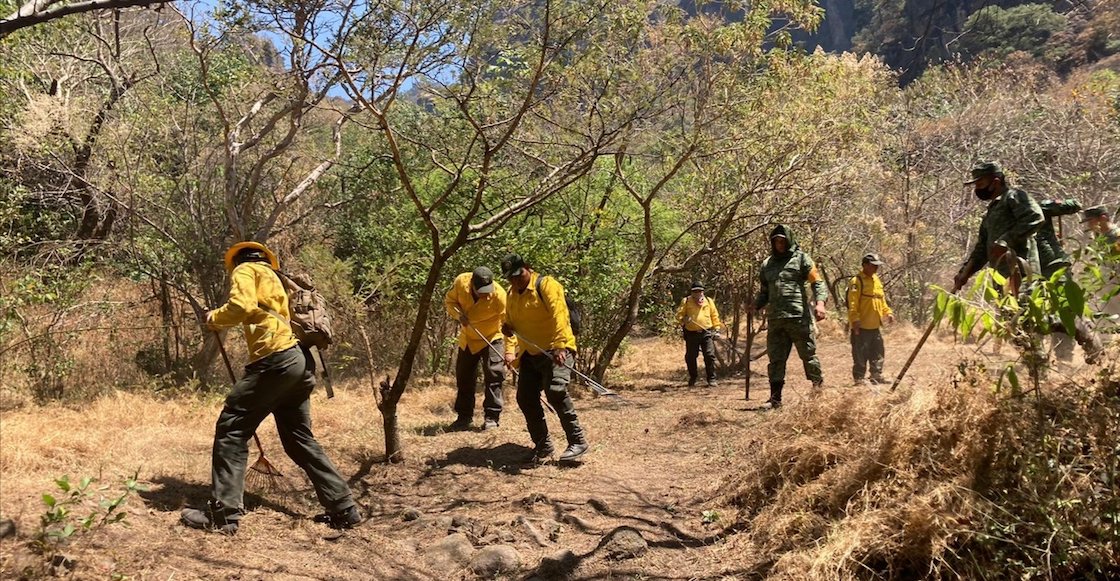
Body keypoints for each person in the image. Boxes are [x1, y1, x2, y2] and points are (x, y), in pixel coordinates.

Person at [181, 242, 360, 534]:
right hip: (300, 361)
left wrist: (214, 318)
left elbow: (242, 306)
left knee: (232, 429)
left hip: (275, 361)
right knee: (299, 438)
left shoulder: (245, 270)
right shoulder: (278, 278)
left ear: (236, 261)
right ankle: (344, 508)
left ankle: (223, 515)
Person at [500, 253, 589, 463]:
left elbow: (561, 315)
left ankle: (577, 441)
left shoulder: (547, 285)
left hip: (556, 349)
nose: (515, 280)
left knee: (556, 391)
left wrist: (560, 346)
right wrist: (510, 349)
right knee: (525, 398)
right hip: (530, 354)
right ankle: (543, 447)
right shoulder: (511, 295)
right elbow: (512, 327)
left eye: (518, 274)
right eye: (510, 277)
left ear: (527, 268)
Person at [748, 225, 828, 409]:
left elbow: (817, 282)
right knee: (776, 360)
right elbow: (765, 292)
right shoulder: (767, 264)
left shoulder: (801, 259)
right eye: (776, 241)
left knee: (808, 355)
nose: (779, 244)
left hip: (798, 317)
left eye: (782, 241)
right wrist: (755, 305)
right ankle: (775, 399)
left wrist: (820, 303)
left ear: (789, 240)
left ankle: (818, 391)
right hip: (776, 320)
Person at [952, 162, 1045, 294]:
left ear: (995, 182)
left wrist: (1006, 240)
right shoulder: (991, 211)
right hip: (1001, 278)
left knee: (1025, 311)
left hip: (1022, 273)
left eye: (980, 184)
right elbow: (982, 249)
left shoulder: (1013, 196)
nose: (977, 189)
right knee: (1007, 313)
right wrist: (965, 273)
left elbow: (1035, 217)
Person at [444, 267, 513, 431]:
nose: (485, 294)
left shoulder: (500, 295)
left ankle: (492, 417)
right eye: (480, 290)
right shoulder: (461, 282)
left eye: (487, 290)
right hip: (468, 338)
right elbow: (450, 302)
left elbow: (509, 326)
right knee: (464, 377)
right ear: (472, 285)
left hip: (492, 337)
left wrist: (509, 351)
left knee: (494, 375)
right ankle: (463, 417)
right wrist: (459, 315)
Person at [1037, 199, 1082, 361]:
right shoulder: (1001, 216)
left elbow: (1073, 205)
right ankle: (1037, 360)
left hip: (1055, 268)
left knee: (1064, 311)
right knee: (1034, 314)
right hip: (1030, 273)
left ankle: (1065, 358)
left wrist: (1054, 205)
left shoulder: (1039, 206)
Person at [847, 253, 894, 385]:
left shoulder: (876, 280)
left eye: (877, 266)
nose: (875, 268)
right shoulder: (856, 281)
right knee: (860, 354)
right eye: (873, 266)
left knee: (878, 352)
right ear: (865, 265)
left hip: (875, 325)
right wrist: (855, 320)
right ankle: (859, 379)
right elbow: (852, 303)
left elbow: (881, 300)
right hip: (861, 326)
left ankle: (876, 376)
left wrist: (888, 313)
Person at [676, 281, 723, 387]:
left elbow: (714, 316)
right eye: (695, 291)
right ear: (692, 292)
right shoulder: (686, 301)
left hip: (706, 333)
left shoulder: (709, 301)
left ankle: (711, 379)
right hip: (691, 334)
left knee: (709, 355)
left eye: (700, 291)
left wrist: (717, 329)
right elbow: (679, 315)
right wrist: (684, 319)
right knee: (691, 357)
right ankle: (693, 377)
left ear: (703, 291)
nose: (698, 293)